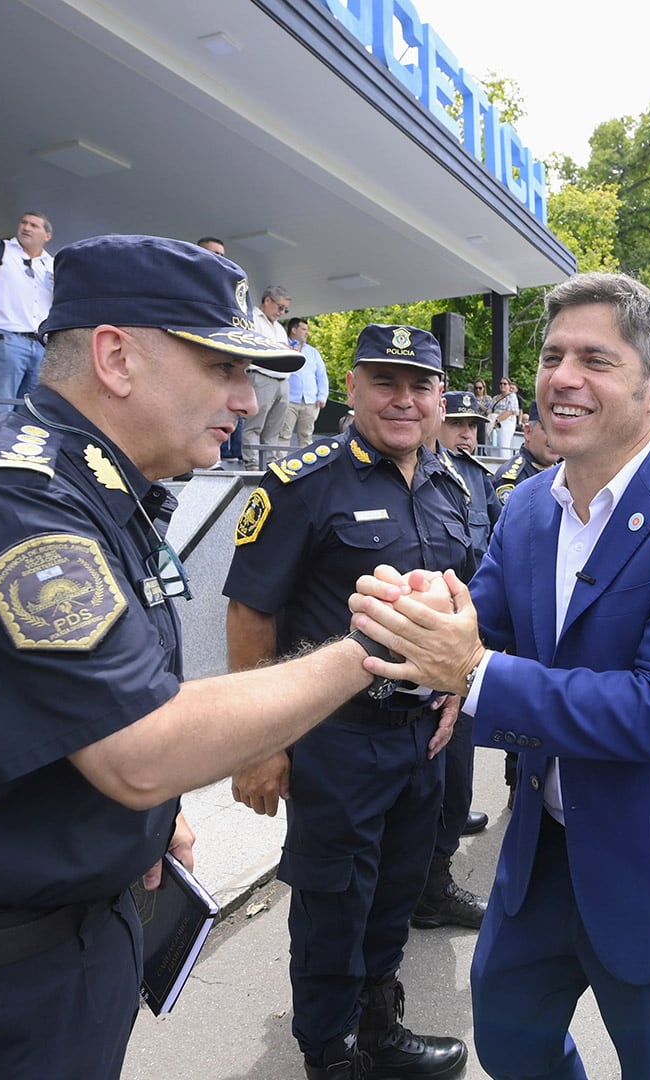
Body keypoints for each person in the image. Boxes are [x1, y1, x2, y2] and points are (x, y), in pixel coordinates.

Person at [0, 235, 424, 1080]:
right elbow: (140, 746)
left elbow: (79, 705)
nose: (245, 397)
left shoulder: (94, 489)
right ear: (116, 357)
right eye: (223, 366)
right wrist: (373, 646)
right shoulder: (4, 499)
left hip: (58, 948)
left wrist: (143, 824)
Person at [350, 271, 650, 1080]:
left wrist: (471, 672)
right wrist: (421, 619)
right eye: (551, 357)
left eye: (595, 360)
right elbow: (484, 627)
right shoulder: (530, 505)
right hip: (542, 851)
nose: (562, 378)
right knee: (511, 1044)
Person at [223, 324, 474, 1080]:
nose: (404, 399)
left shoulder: (455, 486)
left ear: (439, 398)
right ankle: (330, 1053)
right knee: (334, 902)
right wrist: (259, 743)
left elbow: (468, 602)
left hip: (422, 735)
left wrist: (458, 684)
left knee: (397, 890)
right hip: (335, 737)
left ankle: (379, 1030)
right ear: (354, 388)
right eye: (385, 382)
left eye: (420, 385)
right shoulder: (302, 484)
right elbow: (250, 614)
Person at [411, 389, 499, 933]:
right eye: (459, 423)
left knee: (454, 785)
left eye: (472, 424)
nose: (466, 433)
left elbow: (482, 570)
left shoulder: (462, 481)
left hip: (453, 670)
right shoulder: (326, 480)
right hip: (377, 685)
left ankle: (433, 888)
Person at [0, 212, 55, 416]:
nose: (26, 228)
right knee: (0, 409)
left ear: (47, 236)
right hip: (6, 338)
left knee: (31, 413)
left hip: (41, 345)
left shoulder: (52, 263)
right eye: (24, 223)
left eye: (34, 225)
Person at [240, 286, 292, 467]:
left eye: (286, 310)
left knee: (274, 429)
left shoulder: (279, 328)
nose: (282, 313)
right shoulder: (252, 319)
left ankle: (271, 464)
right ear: (267, 300)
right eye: (280, 307)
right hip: (261, 376)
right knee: (254, 424)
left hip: (282, 380)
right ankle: (252, 464)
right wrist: (277, 347)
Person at [493, 399, 558, 506]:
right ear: (528, 432)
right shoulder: (512, 480)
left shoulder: (567, 472)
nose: (555, 438)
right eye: (547, 429)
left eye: (561, 430)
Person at [284, 316, 332, 448]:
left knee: (306, 436)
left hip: (310, 402)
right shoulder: (283, 346)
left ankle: (305, 461)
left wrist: (322, 396)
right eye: (304, 329)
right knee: (283, 435)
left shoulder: (313, 352)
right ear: (294, 330)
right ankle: (280, 460)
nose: (307, 333)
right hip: (288, 400)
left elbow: (321, 376)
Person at [490, 376, 521, 448]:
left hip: (506, 422)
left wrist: (497, 420)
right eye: (501, 383)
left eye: (505, 384)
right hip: (493, 423)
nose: (502, 385)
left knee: (503, 445)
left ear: (509, 386)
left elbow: (510, 411)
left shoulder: (512, 396)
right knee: (493, 446)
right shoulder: (495, 398)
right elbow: (489, 410)